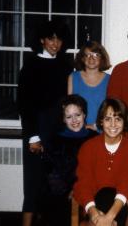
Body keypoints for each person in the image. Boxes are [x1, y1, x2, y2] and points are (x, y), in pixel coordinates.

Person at [17, 20, 73, 226]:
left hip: (57, 131)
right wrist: (33, 136)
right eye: (51, 38)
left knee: (54, 184)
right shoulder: (31, 65)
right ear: (42, 40)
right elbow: (24, 104)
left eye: (58, 39)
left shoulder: (65, 65)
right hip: (36, 130)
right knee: (32, 184)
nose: (55, 43)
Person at [73, 98, 128, 226]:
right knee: (103, 194)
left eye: (118, 119)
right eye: (108, 119)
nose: (113, 124)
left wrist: (109, 218)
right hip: (94, 206)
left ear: (124, 121)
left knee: (109, 193)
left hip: (121, 206)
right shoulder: (88, 147)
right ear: (101, 121)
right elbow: (83, 183)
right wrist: (94, 214)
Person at [46, 95, 97, 226]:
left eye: (77, 115)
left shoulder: (95, 139)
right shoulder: (56, 141)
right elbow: (53, 172)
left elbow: (98, 169)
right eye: (69, 117)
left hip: (91, 189)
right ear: (63, 119)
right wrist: (70, 191)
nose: (74, 120)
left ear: (84, 115)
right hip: (63, 192)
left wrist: (82, 189)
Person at [68, 41, 111, 131]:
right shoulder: (73, 77)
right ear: (82, 58)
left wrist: (96, 126)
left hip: (102, 131)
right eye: (87, 55)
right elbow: (69, 109)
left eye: (96, 55)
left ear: (102, 58)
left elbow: (111, 110)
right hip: (78, 130)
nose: (91, 58)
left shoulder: (110, 79)